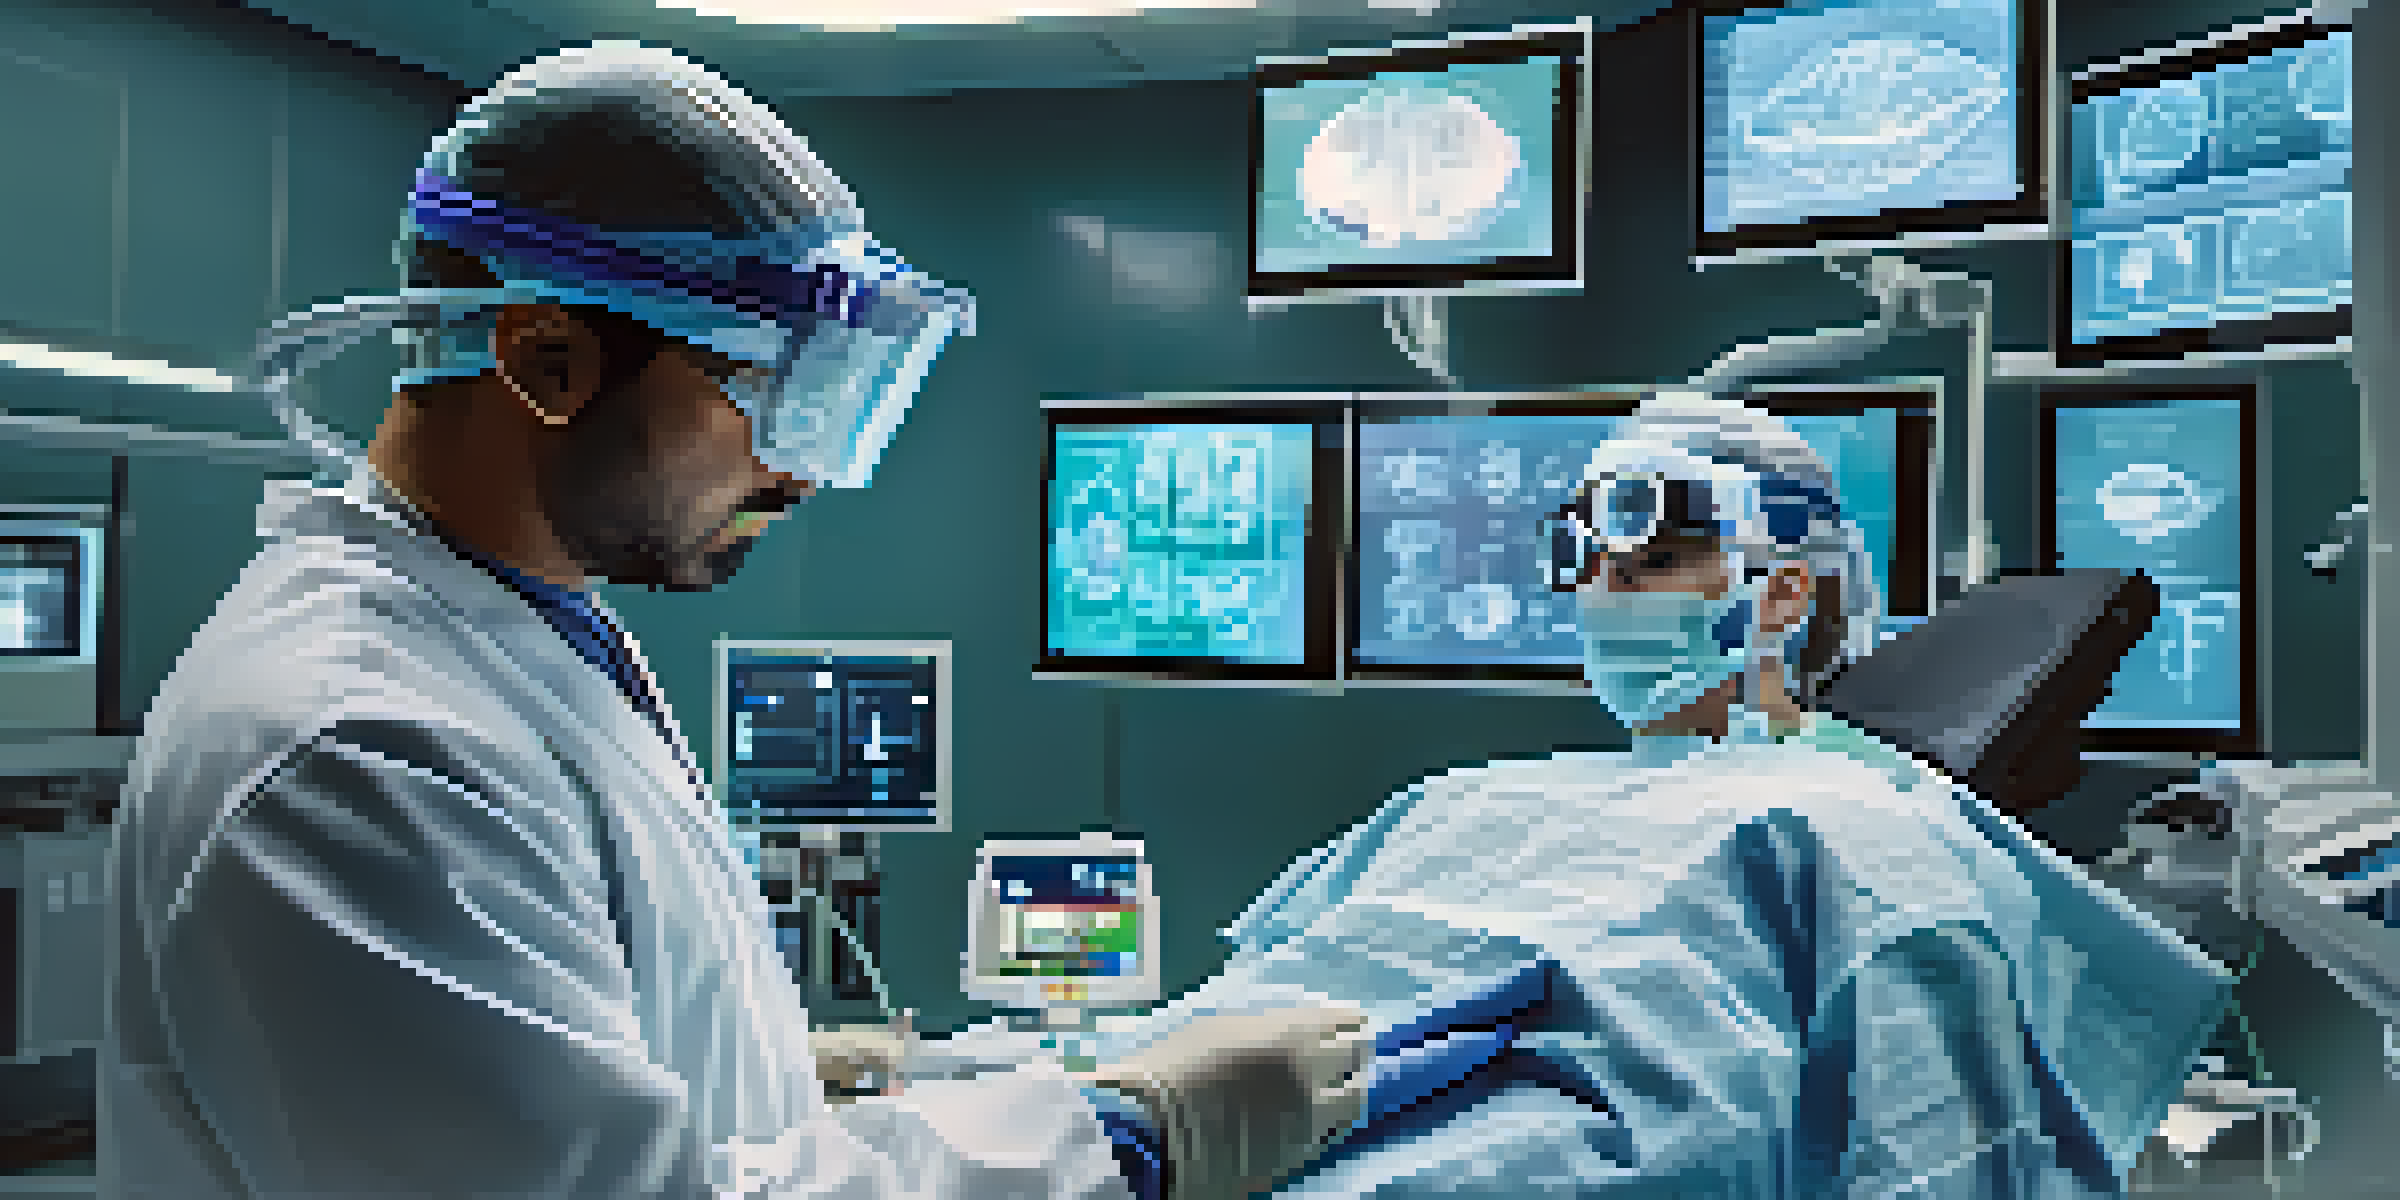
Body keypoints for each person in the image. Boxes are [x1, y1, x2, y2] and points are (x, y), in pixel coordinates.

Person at [99, 42, 1367, 1200]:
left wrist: (761, 1071)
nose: (802, 473)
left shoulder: (523, 636)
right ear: (547, 363)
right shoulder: (354, 751)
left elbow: (529, 1111)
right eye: (778, 399)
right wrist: (1124, 1138)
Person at [878, 393, 2238, 1197]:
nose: (1596, 590)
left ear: (1777, 595)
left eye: (1643, 551)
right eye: (1582, 555)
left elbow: (1940, 1151)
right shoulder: (1466, 794)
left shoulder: (1856, 831)